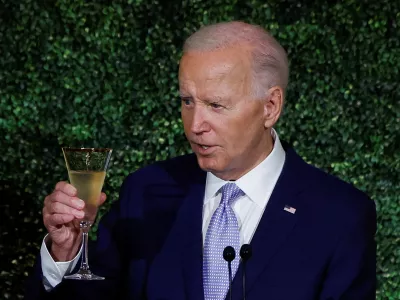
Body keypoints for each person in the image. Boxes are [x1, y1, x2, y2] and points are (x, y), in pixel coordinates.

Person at [26, 21, 376, 300]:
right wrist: (65, 254)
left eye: (216, 105)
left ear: (270, 107)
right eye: (187, 101)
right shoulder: (146, 190)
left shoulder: (341, 215)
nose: (195, 126)